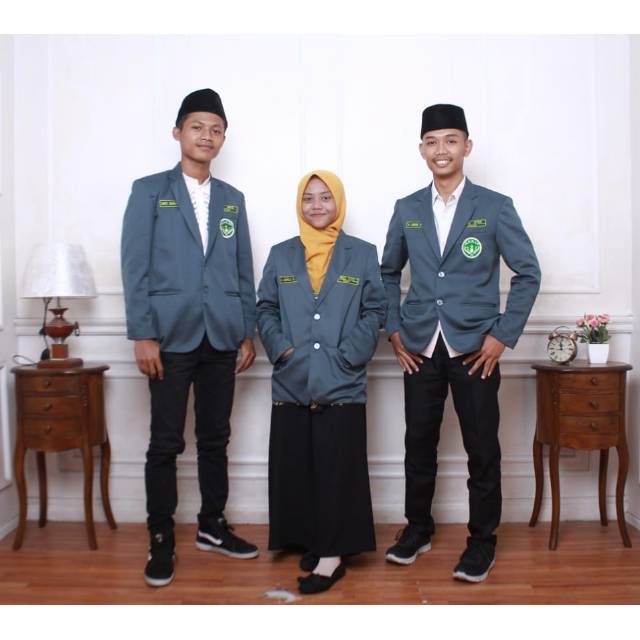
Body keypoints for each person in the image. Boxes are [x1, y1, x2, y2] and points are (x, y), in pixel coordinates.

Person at [381, 104, 541, 582]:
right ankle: (417, 529)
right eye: (432, 141)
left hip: (475, 350)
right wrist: (394, 329)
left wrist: (501, 336)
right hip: (419, 347)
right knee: (418, 444)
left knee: (482, 449)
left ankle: (482, 541)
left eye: (451, 140)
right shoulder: (407, 208)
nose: (441, 149)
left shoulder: (495, 207)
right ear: (421, 150)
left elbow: (528, 273)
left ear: (466, 147)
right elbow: (387, 273)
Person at [121, 88, 258, 588]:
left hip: (222, 336)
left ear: (223, 139)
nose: (207, 136)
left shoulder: (232, 200)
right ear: (178, 132)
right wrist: (143, 334)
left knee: (215, 437)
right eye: (198, 127)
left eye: (216, 129)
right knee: (165, 442)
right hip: (168, 337)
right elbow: (134, 267)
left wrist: (246, 331)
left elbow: (242, 270)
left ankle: (212, 525)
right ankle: (160, 537)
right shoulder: (148, 192)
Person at [257, 170, 386, 594]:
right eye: (309, 198)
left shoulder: (362, 254)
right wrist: (282, 350)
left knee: (336, 466)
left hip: (342, 379)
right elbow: (265, 308)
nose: (317, 205)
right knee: (298, 465)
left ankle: (332, 556)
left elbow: (375, 310)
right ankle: (312, 540)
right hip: (293, 379)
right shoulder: (280, 254)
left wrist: (350, 354)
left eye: (325, 197)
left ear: (339, 203)